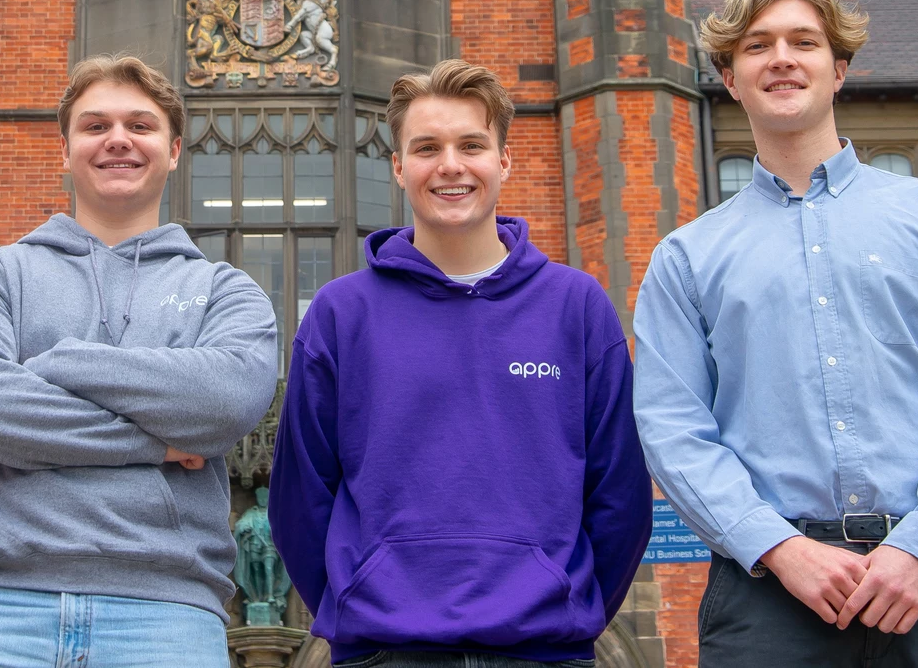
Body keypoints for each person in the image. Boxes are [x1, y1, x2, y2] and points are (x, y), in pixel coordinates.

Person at [634, 0, 918, 665]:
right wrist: (780, 547)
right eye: (758, 45)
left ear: (838, 68)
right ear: (730, 75)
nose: (781, 56)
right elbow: (672, 427)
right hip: (771, 597)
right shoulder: (686, 258)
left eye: (803, 41)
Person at [268, 58, 651, 667]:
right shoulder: (341, 313)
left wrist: (568, 608)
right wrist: (358, 606)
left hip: (545, 652)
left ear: (503, 160)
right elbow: (299, 497)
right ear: (398, 166)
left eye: (471, 144)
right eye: (427, 147)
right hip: (384, 653)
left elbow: (620, 491)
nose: (450, 165)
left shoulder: (575, 306)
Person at [0, 54, 279, 668]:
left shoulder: (227, 290)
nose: (118, 139)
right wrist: (154, 444)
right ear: (65, 150)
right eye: (96, 126)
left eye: (140, 126)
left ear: (172, 150)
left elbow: (225, 404)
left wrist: (58, 362)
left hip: (168, 617)